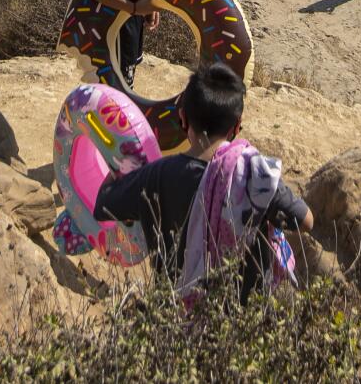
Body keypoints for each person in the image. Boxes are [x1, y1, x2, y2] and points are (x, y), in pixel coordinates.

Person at [92, 62, 311, 297]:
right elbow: (306, 221)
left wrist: (121, 157)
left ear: (183, 118)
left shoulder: (155, 175)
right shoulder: (253, 174)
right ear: (236, 126)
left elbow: (103, 206)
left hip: (176, 314)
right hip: (246, 319)